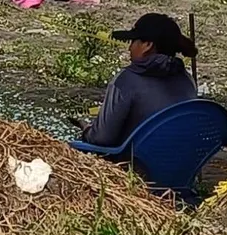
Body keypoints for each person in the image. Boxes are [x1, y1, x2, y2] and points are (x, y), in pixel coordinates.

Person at [76, 13, 198, 147]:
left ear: (147, 45)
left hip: (132, 163)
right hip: (182, 165)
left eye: (133, 41)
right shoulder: (188, 80)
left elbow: (101, 139)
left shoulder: (127, 80)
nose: (129, 48)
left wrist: (86, 129)